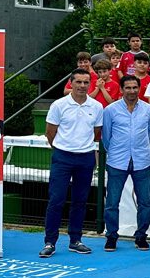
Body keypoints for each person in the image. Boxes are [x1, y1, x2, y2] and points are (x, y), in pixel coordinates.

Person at [41, 70, 104, 258]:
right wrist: (63, 148)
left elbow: (96, 132)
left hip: (86, 158)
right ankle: (50, 242)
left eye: (86, 82)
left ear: (90, 84)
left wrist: (81, 147)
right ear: (71, 83)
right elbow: (50, 133)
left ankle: (75, 240)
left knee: (80, 201)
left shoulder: (97, 106)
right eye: (78, 82)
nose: (82, 86)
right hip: (62, 157)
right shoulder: (58, 105)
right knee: (56, 200)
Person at [100, 75, 150, 252]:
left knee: (145, 202)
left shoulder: (148, 110)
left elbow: (149, 134)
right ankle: (111, 236)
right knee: (112, 202)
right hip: (117, 161)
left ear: (139, 89)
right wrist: (116, 151)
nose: (132, 91)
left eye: (134, 87)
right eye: (128, 88)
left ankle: (141, 236)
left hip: (141, 161)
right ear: (122, 89)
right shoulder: (110, 110)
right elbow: (106, 137)